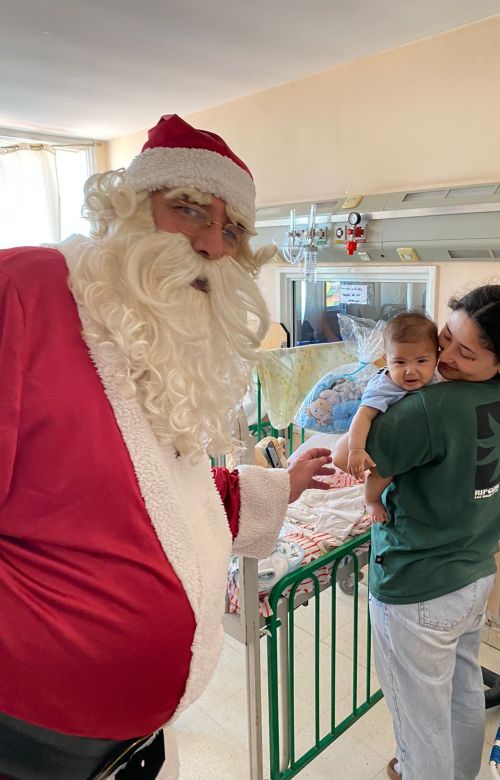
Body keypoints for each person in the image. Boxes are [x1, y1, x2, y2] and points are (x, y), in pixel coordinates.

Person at [0, 114, 334, 780]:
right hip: (30, 736)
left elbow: (149, 503)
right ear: (128, 209)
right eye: (187, 209)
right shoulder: (28, 290)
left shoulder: (159, 343)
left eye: (232, 229)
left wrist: (275, 485)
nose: (212, 244)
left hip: (132, 740)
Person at [341, 285, 500, 780]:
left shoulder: (430, 409)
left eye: (466, 351)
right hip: (474, 573)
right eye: (446, 337)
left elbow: (345, 459)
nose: (445, 356)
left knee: (421, 724)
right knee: (462, 694)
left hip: (418, 585)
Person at [334, 311, 439, 521]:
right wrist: (357, 450)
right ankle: (371, 500)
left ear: (436, 358)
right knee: (383, 471)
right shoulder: (385, 387)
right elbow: (363, 416)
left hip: (401, 441)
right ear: (385, 360)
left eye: (421, 360)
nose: (411, 371)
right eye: (400, 362)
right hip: (372, 441)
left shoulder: (434, 379)